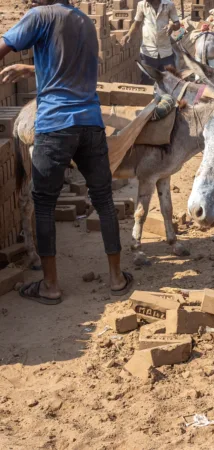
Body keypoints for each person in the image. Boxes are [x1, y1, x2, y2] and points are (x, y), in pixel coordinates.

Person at [0, 0, 133, 305]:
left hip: (55, 124)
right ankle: (116, 278)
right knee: (103, 199)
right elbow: (70, 65)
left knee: (43, 204)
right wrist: (32, 67)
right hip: (90, 123)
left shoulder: (39, 16)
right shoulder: (85, 22)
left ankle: (50, 286)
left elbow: (4, 46)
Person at [121, 0, 181, 85]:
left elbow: (177, 24)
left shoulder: (169, 5)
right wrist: (128, 34)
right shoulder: (142, 5)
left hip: (166, 52)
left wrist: (172, 26)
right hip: (148, 52)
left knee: (171, 82)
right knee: (147, 82)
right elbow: (137, 23)